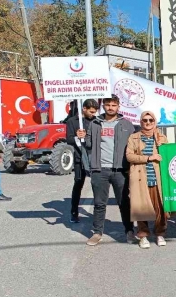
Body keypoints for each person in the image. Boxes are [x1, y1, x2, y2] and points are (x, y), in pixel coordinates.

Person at [83, 94, 135, 246]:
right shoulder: (95, 124)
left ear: (118, 106)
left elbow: (135, 145)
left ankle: (129, 231)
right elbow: (88, 145)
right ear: (103, 106)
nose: (111, 107)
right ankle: (97, 232)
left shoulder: (127, 124)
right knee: (99, 203)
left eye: (114, 105)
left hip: (120, 171)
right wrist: (82, 137)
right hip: (100, 170)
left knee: (124, 202)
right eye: (108, 105)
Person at [126, 111, 168, 249]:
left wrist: (162, 146)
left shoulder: (161, 137)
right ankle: (143, 236)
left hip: (157, 178)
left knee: (160, 208)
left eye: (151, 120)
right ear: (141, 122)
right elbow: (129, 156)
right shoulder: (134, 137)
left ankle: (160, 233)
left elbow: (168, 156)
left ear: (155, 121)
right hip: (140, 178)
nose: (148, 123)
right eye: (145, 120)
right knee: (141, 207)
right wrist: (148, 158)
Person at [66, 99, 97, 222]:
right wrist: (76, 137)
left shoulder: (96, 121)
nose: (93, 114)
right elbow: (68, 139)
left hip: (94, 157)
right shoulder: (72, 121)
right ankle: (74, 212)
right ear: (84, 108)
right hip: (80, 158)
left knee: (97, 185)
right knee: (78, 184)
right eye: (91, 111)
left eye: (95, 112)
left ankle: (97, 212)